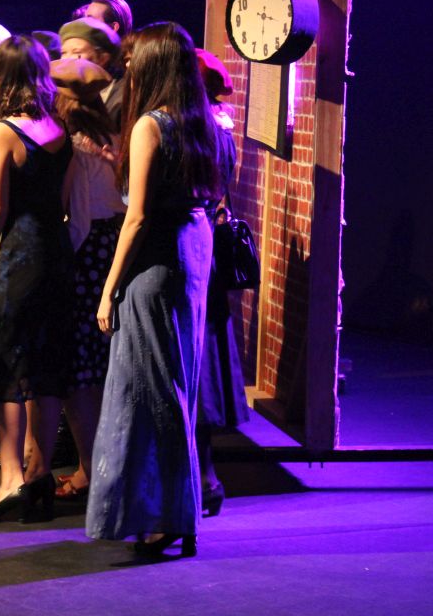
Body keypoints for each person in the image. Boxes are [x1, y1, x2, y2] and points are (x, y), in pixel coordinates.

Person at [87, 22, 223, 559]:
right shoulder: (201, 121)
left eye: (133, 59)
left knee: (152, 390)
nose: (126, 68)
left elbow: (138, 216)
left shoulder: (150, 125)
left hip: (158, 260)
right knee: (176, 383)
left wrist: (109, 288)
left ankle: (169, 514)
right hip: (193, 246)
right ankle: (177, 512)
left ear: (152, 66)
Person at [0, 36, 74, 522]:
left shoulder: (2, 132)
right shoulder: (59, 128)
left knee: (7, 367)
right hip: (56, 256)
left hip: (16, 259)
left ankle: (10, 478)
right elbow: (64, 203)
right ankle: (40, 473)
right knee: (46, 368)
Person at [47, 59, 124, 503]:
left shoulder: (76, 144)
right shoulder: (113, 134)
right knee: (107, 363)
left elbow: (76, 219)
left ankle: (89, 469)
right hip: (115, 245)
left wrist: (61, 265)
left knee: (81, 373)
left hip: (89, 252)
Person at [194, 48, 250, 517]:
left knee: (200, 367)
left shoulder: (205, 133)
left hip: (199, 255)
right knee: (205, 362)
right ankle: (206, 476)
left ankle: (204, 476)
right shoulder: (221, 129)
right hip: (207, 254)